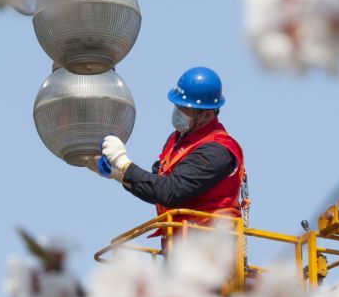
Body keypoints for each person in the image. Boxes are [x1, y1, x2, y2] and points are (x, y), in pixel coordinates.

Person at [97, 66, 248, 230]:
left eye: (185, 109)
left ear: (206, 115)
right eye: (178, 106)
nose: (178, 112)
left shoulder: (217, 150)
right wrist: (120, 174)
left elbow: (171, 191)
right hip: (185, 244)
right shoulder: (179, 141)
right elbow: (157, 188)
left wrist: (123, 162)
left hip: (212, 245)